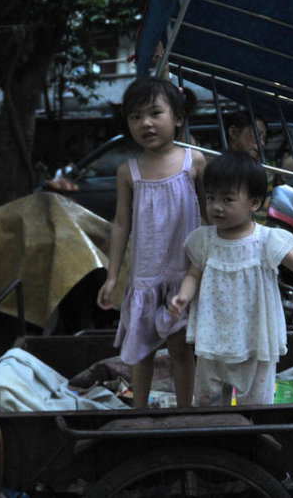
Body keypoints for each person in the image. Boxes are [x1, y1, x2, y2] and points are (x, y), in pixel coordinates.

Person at [169, 151, 293, 406]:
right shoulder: (204, 239)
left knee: (256, 405)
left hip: (256, 339)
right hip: (213, 335)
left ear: (254, 203)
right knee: (208, 402)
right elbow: (193, 274)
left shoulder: (267, 239)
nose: (216, 206)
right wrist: (182, 297)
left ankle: (251, 440)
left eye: (227, 199)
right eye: (211, 198)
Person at [96, 76, 206, 408]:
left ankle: (186, 412)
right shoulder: (128, 172)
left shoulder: (194, 162)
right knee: (140, 351)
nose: (146, 123)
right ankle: (140, 414)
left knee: (181, 350)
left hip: (184, 274)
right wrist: (113, 275)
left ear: (178, 118)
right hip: (144, 276)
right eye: (135, 116)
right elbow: (121, 224)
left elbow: (211, 218)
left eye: (155, 113)